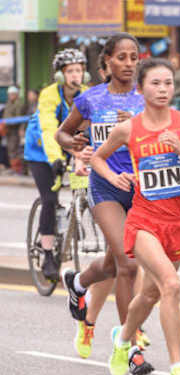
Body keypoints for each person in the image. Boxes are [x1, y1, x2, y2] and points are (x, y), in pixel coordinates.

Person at [99, 58, 180, 375]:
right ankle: (178, 368)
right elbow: (98, 156)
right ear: (141, 89)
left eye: (168, 83)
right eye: (156, 83)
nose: (164, 89)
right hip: (144, 222)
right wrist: (115, 176)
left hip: (178, 223)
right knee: (171, 286)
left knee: (150, 295)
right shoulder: (129, 129)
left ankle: (123, 339)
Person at [56, 33, 147, 359]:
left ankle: (78, 283)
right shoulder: (92, 99)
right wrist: (74, 144)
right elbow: (63, 131)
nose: (128, 64)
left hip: (141, 187)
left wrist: (139, 125)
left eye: (133, 57)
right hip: (106, 186)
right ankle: (131, 346)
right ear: (107, 60)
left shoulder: (146, 99)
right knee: (127, 263)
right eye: (121, 57)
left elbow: (165, 137)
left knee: (112, 263)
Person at [24, 48, 89, 279]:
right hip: (41, 152)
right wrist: (56, 160)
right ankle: (49, 253)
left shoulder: (87, 94)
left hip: (70, 149)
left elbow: (91, 128)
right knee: (50, 199)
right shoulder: (49, 95)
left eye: (79, 70)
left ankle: (72, 224)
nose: (75, 75)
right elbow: (49, 129)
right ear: (60, 75)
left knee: (85, 190)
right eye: (70, 71)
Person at [4, 86, 25, 174]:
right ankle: (13, 168)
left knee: (15, 149)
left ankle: (18, 169)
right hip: (8, 129)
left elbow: (20, 118)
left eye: (12, 94)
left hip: (15, 130)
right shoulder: (9, 103)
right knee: (10, 149)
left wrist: (21, 129)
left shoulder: (19, 104)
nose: (10, 96)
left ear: (16, 95)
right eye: (9, 94)